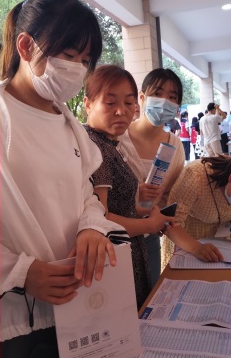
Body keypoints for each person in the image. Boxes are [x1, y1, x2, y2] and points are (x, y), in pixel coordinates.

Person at [0, 0, 126, 356]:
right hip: (20, 319)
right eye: (68, 56)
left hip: (79, 305)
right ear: (26, 47)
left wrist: (91, 227)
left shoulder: (67, 121)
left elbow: (85, 195)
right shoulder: (0, 116)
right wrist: (20, 272)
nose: (77, 70)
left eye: (85, 60)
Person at [83, 65, 169, 308]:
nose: (121, 111)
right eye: (110, 103)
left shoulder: (110, 143)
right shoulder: (95, 147)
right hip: (113, 261)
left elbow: (114, 204)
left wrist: (138, 206)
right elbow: (100, 219)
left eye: (129, 103)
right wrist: (149, 225)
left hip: (127, 253)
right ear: (87, 104)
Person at [117, 67, 186, 284]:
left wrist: (160, 219)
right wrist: (134, 194)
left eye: (172, 97)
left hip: (149, 239)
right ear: (142, 97)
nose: (164, 101)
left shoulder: (175, 146)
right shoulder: (117, 137)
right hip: (114, 236)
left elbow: (169, 197)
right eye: (157, 93)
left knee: (150, 294)